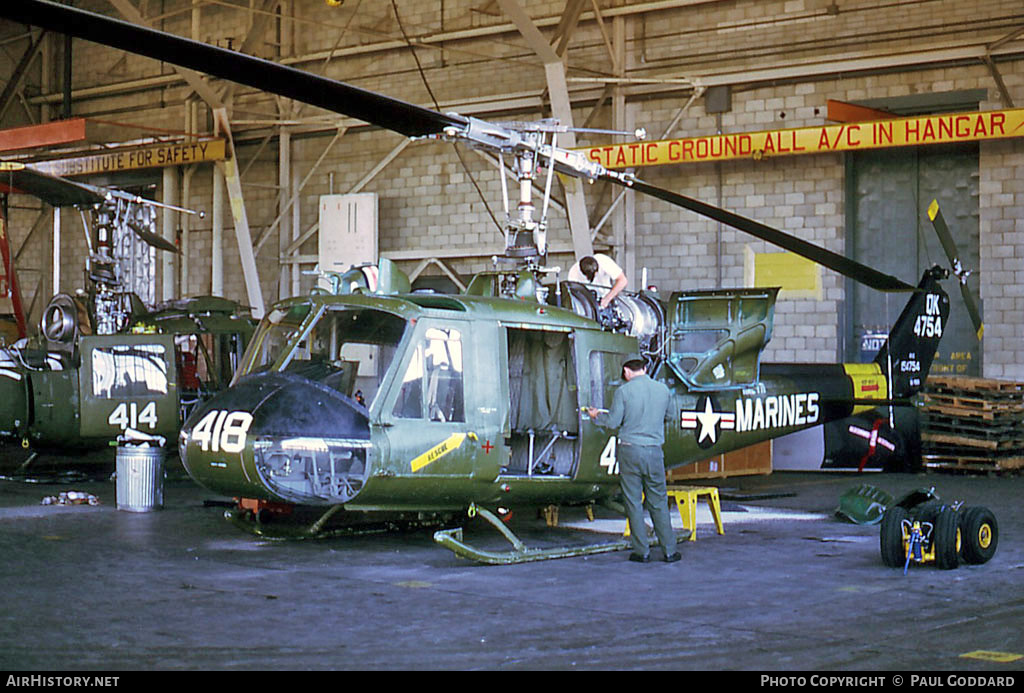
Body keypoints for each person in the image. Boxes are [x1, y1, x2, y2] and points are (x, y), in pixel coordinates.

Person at [586, 358, 680, 563]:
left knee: (634, 502)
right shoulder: (662, 390)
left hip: (630, 451)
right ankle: (670, 551)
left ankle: (642, 552)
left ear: (627, 371)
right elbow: (671, 416)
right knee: (658, 501)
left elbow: (612, 422)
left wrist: (595, 416)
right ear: (645, 369)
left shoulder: (624, 392)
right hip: (655, 452)